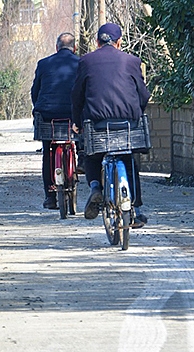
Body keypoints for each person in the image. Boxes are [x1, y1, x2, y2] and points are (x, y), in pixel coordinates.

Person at [71, 23, 151, 227]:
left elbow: (77, 96)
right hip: (127, 125)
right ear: (119, 42)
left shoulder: (86, 61)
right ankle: (136, 208)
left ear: (97, 42)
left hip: (97, 124)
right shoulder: (132, 61)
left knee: (92, 154)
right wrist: (137, 114)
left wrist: (77, 123)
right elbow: (143, 95)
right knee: (129, 160)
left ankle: (96, 187)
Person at [30, 32, 79, 209]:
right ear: (74, 48)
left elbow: (35, 91)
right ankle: (79, 160)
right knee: (79, 140)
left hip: (47, 115)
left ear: (56, 47)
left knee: (47, 152)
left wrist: (39, 107)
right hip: (72, 115)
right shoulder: (81, 63)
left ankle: (49, 197)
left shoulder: (43, 63)